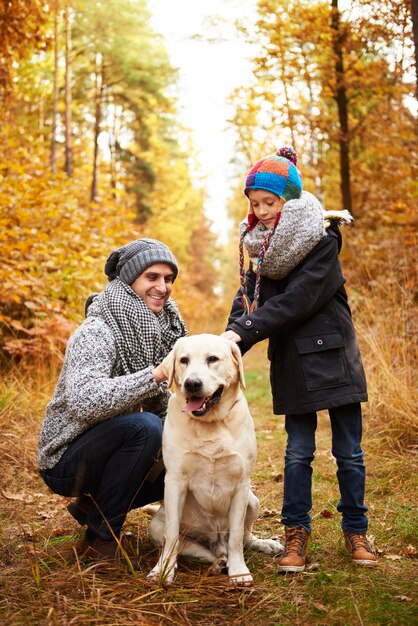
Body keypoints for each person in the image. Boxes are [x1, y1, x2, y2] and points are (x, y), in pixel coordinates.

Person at [222, 147, 377, 573]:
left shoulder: (322, 241)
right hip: (293, 360)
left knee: (349, 453)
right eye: (254, 204)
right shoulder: (261, 252)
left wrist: (244, 332)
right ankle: (296, 534)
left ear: (289, 199)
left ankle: (356, 529)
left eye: (269, 203)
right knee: (297, 453)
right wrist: (222, 346)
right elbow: (248, 302)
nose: (262, 211)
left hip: (336, 356)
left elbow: (297, 300)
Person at [37, 238, 187, 568]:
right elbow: (85, 402)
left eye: (168, 278)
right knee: (144, 428)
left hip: (109, 447)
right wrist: (156, 375)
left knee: (186, 461)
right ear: (130, 280)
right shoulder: (97, 330)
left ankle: (93, 504)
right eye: (152, 277)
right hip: (66, 458)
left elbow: (162, 405)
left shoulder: (158, 330)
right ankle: (100, 539)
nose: (162, 287)